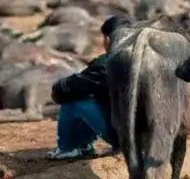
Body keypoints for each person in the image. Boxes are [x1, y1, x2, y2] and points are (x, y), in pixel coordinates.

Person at [46, 16, 134, 160]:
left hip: (128, 137)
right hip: (156, 137)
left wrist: (58, 89)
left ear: (107, 40)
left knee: (73, 100)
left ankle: (70, 148)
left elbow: (65, 89)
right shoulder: (149, 59)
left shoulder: (106, 64)